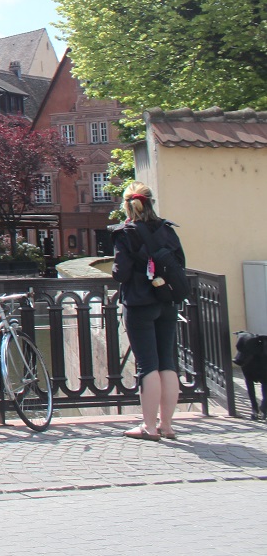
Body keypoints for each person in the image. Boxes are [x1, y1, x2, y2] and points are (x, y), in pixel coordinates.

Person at [111, 181, 187, 441]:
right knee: (168, 363)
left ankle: (149, 427)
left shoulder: (125, 233)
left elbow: (120, 274)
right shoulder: (167, 230)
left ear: (127, 205)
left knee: (147, 366)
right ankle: (167, 425)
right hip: (166, 300)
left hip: (139, 303)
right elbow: (180, 264)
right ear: (151, 202)